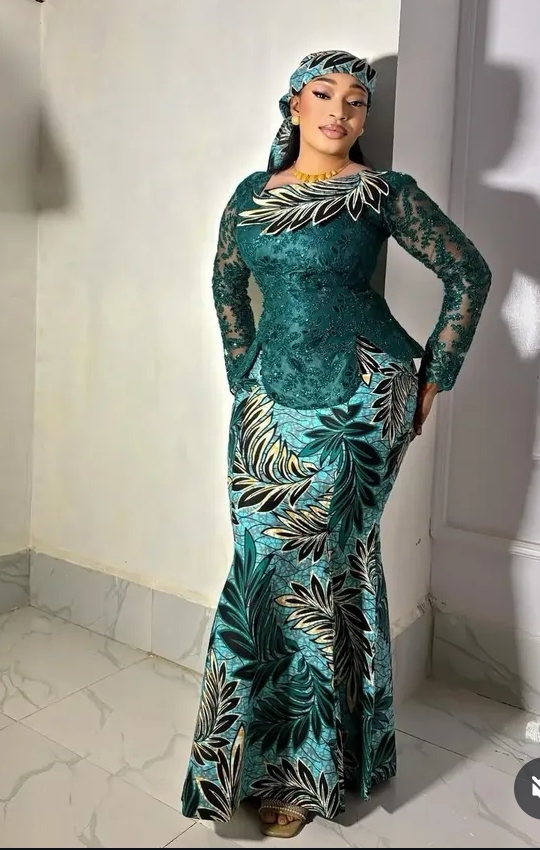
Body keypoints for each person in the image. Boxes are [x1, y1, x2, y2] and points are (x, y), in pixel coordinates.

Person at [181, 49, 491, 839]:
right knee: (259, 567)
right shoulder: (251, 196)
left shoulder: (384, 192)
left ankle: (306, 776)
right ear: (293, 106)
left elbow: (469, 274)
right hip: (265, 404)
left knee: (320, 572)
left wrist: (434, 375)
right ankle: (246, 763)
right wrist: (241, 369)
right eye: (324, 94)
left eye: (357, 101)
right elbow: (225, 282)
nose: (341, 111)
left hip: (362, 397)